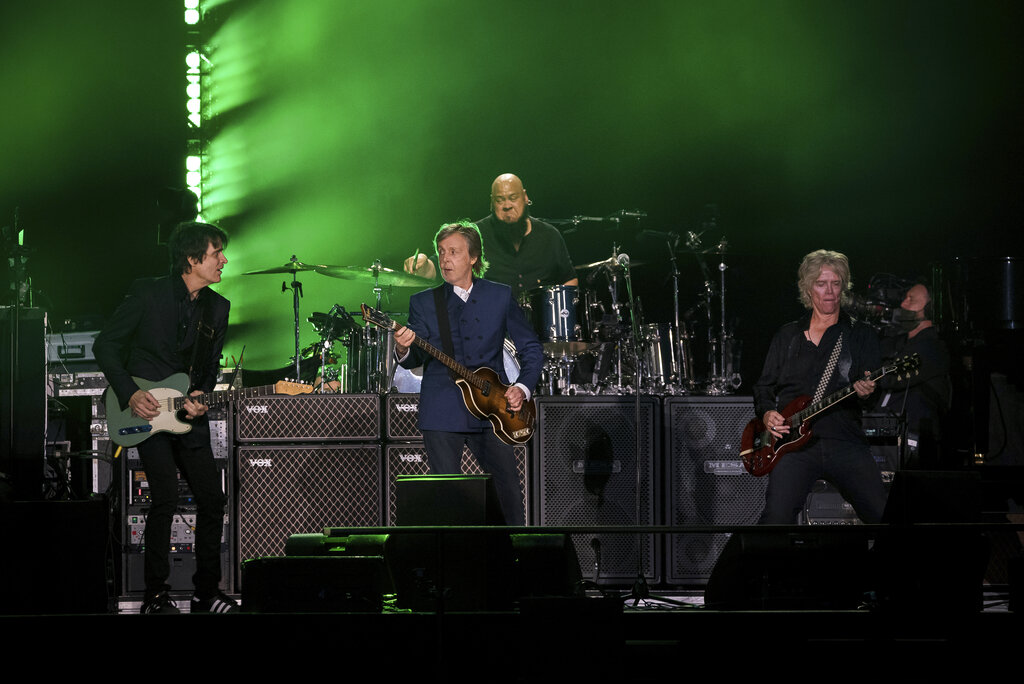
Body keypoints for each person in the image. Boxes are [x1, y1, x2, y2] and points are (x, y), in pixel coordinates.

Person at [94, 221, 235, 614]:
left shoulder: (218, 307)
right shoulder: (148, 292)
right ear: (192, 260)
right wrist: (130, 392)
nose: (223, 260)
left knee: (212, 499)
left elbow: (208, 369)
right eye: (215, 254)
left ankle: (205, 594)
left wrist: (201, 397)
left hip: (188, 417)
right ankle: (155, 595)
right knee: (165, 499)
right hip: (147, 411)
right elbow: (105, 345)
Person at [393, 221, 543, 525]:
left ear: (473, 257)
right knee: (446, 499)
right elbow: (413, 359)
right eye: (441, 252)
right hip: (442, 408)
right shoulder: (423, 302)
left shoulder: (499, 295)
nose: (445, 259)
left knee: (508, 495)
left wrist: (522, 388)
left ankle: (514, 560)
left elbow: (531, 348)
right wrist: (402, 349)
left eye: (454, 252)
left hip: (492, 409)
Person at [753, 249, 888, 524]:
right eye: (821, 283)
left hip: (844, 441)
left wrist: (867, 392)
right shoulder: (787, 335)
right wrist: (767, 413)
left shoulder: (860, 334)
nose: (829, 292)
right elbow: (763, 387)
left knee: (884, 517)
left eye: (835, 283)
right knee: (775, 519)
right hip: (794, 448)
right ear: (808, 288)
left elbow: (873, 394)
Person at [406, 173, 577, 300]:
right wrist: (423, 264)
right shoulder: (475, 234)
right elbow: (440, 264)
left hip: (540, 334)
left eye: (513, 198)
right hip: (489, 333)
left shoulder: (549, 235)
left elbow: (569, 279)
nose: (507, 206)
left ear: (525, 197)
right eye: (500, 200)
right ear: (492, 202)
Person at [876, 282, 951, 467]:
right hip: (885, 440)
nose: (903, 304)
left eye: (912, 300)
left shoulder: (933, 347)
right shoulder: (898, 343)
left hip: (916, 442)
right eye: (905, 298)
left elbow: (892, 377)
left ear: (930, 308)